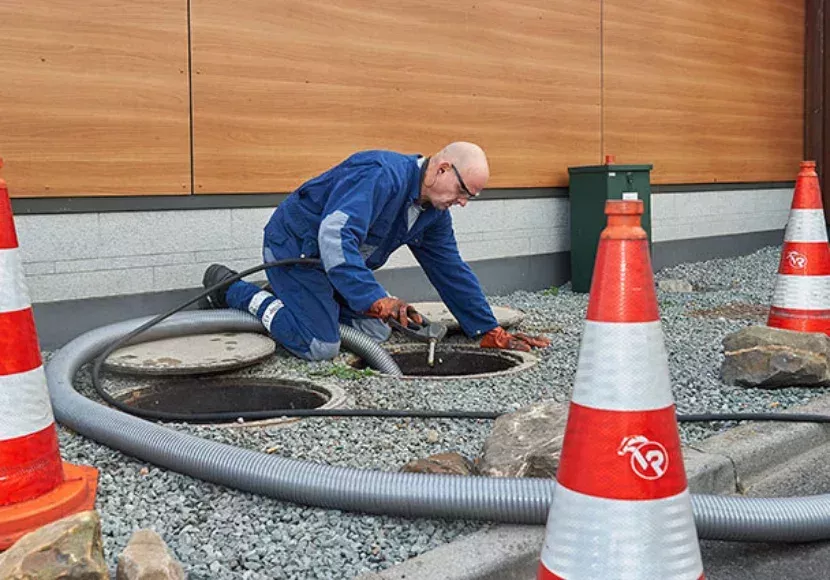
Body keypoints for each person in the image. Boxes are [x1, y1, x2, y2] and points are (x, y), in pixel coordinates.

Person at [201, 142, 551, 361]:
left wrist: (487, 329)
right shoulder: (381, 175)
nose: (462, 203)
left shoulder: (431, 213)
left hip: (332, 266)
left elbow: (450, 270)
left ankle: (293, 299)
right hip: (296, 251)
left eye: (469, 198)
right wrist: (375, 298)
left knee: (376, 333)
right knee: (319, 346)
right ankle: (233, 289)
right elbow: (335, 237)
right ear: (442, 168)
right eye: (463, 192)